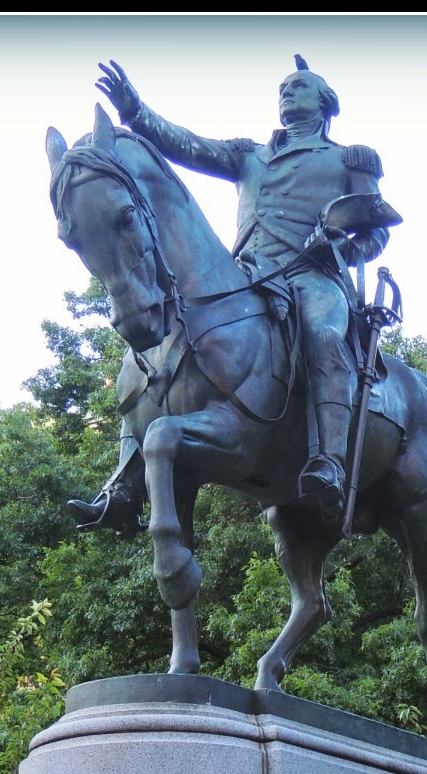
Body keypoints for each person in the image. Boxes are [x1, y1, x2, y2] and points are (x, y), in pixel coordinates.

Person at [69, 56, 392, 533]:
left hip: (313, 275)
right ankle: (124, 484)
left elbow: (375, 232)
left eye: (299, 87)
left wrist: (342, 245)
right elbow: (186, 145)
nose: (287, 92)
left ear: (325, 103)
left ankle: (330, 461)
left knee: (323, 336)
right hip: (249, 273)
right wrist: (134, 110)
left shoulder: (350, 158)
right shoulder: (249, 156)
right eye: (283, 86)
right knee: (159, 345)